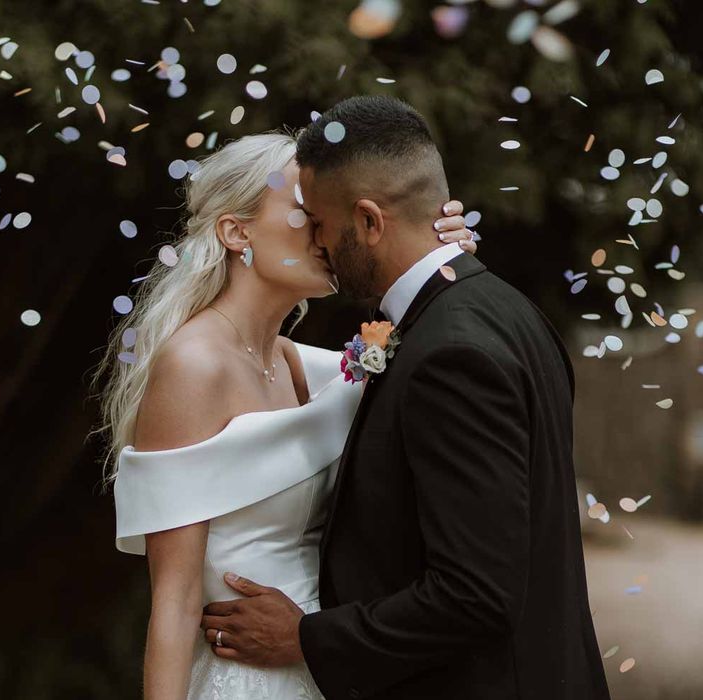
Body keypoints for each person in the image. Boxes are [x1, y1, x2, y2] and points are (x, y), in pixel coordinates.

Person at [199, 96, 612, 700]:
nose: (317, 242)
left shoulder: (449, 354)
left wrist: (309, 639)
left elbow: (476, 595)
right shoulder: (506, 310)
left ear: (369, 221)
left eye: (320, 223)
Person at [94, 129, 475, 698]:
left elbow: (424, 374)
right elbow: (173, 606)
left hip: (327, 666)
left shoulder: (298, 365)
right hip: (245, 678)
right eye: (306, 210)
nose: (329, 228)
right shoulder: (194, 367)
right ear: (235, 231)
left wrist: (439, 257)